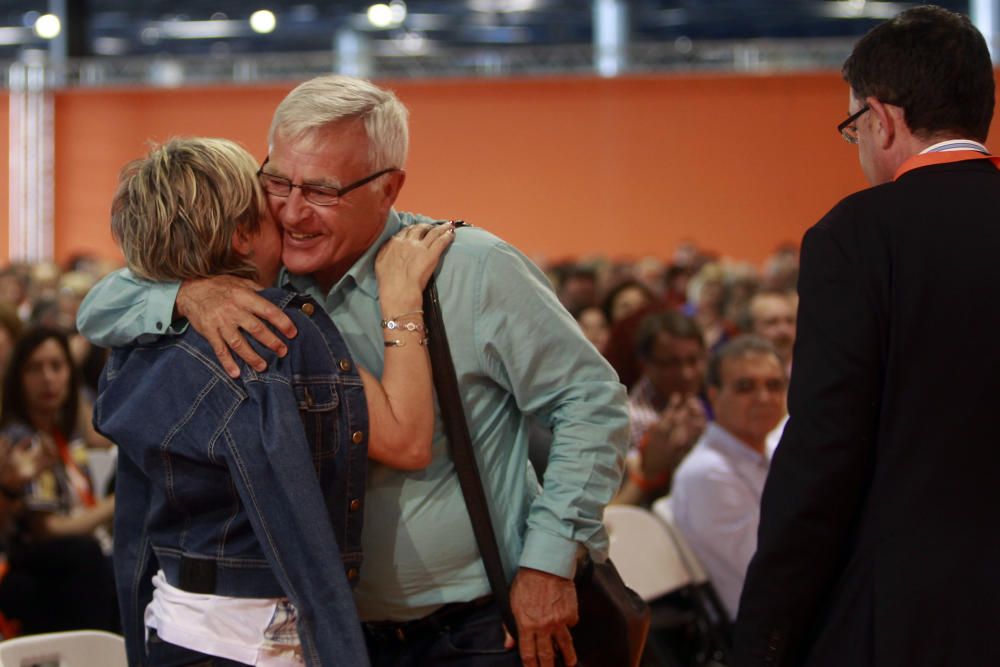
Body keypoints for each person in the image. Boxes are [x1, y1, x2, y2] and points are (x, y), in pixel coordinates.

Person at [78, 75, 629, 667]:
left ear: (389, 187)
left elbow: (590, 403)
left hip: (472, 628)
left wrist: (549, 558)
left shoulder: (469, 269)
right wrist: (186, 294)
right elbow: (100, 305)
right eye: (278, 181)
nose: (292, 211)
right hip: (325, 635)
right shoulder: (258, 274)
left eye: (321, 190)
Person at [96, 136, 452, 666]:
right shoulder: (274, 331)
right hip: (262, 639)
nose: (288, 216)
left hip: (174, 624)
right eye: (268, 208)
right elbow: (404, 438)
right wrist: (401, 301)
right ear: (242, 234)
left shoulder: (136, 338)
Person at [734, 7, 1000, 666]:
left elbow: (826, 447)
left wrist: (764, 632)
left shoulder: (857, 235)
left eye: (853, 126)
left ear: (881, 120)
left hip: (911, 613)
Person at [0, 327, 119, 635]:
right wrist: (118, 504)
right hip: (46, 569)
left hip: (77, 563)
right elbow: (47, 530)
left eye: (57, 366)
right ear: (18, 379)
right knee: (92, 555)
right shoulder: (22, 440)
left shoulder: (61, 435)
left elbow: (102, 437)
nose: (48, 379)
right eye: (34, 369)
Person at [669, 336, 786, 618]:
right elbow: (770, 572)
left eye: (774, 385)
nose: (764, 398)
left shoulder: (771, 449)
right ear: (713, 395)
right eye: (745, 387)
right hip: (762, 629)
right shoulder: (706, 472)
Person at [613, 310, 707, 506]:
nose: (687, 374)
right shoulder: (626, 420)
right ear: (645, 364)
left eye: (693, 360)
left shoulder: (699, 403)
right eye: (672, 363)